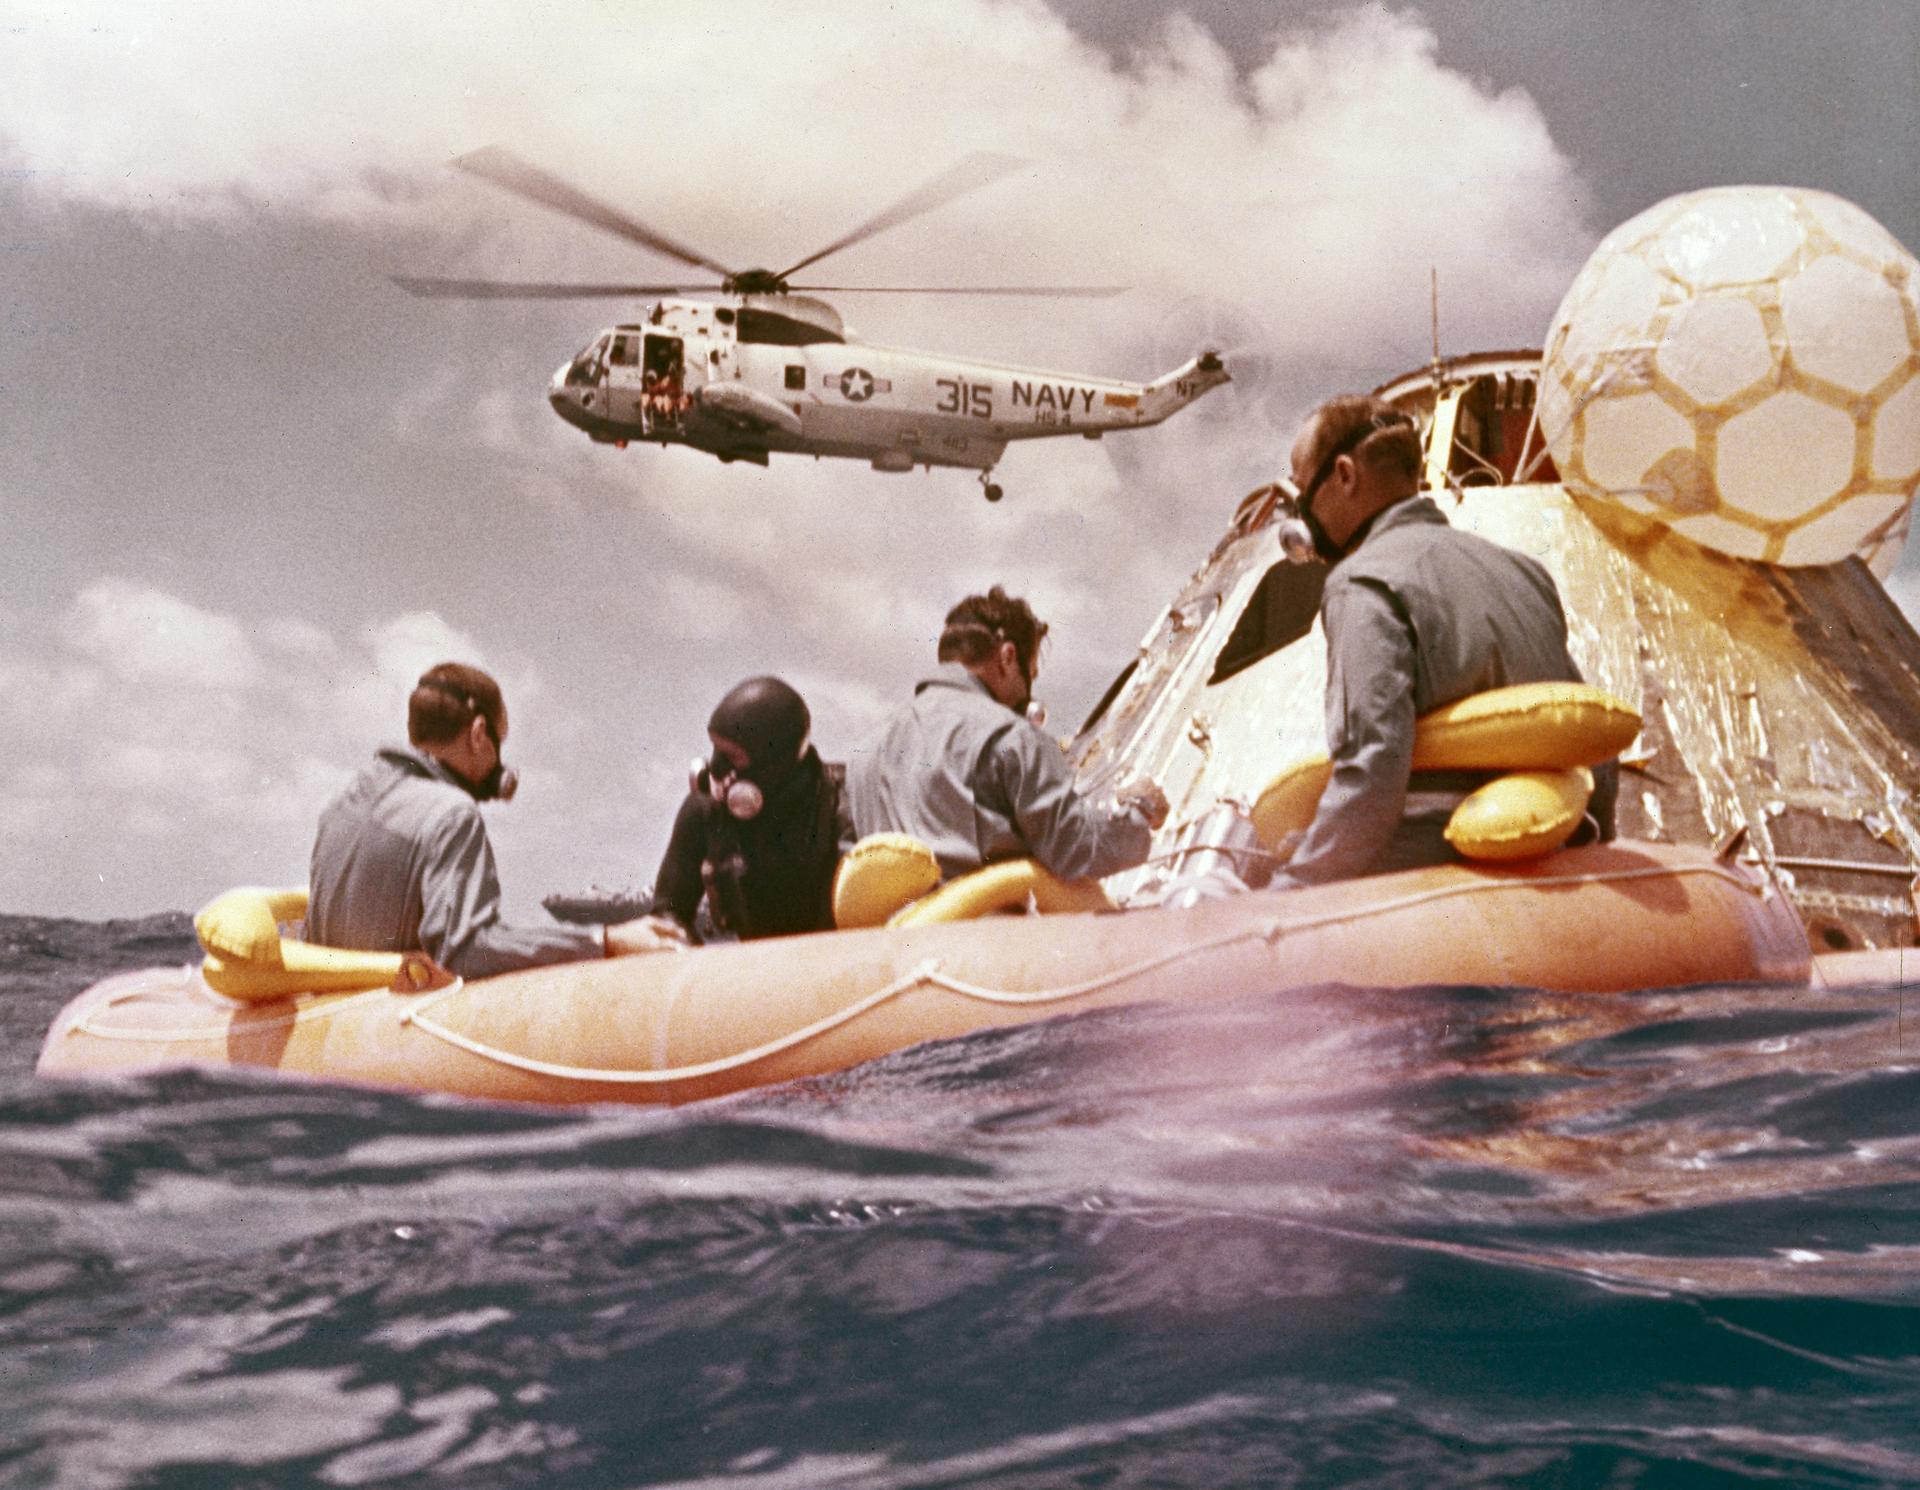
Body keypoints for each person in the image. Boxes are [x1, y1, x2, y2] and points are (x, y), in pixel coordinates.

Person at [1271, 394, 1616, 888]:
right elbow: (1589, 742)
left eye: (1304, 491)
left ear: (1345, 476)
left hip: (1426, 872)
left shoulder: (1362, 583)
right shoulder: (1525, 572)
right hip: (1554, 870)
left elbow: (1371, 773)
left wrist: (1293, 889)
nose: (1303, 513)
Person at [309, 662, 682, 977]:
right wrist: (606, 940)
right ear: (478, 734)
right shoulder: (451, 813)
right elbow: (465, 950)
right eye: (498, 743)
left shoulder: (341, 804)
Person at [847, 586, 1168, 883]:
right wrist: (1137, 813)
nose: (1030, 686)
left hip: (894, 939)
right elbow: (1076, 852)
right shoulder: (1011, 737)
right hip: (986, 938)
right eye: (1030, 673)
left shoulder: (865, 750)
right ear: (1008, 657)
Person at [653, 676, 855, 942]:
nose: (715, 768)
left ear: (774, 767)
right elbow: (666, 920)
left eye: (732, 757)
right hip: (756, 964)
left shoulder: (843, 807)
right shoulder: (705, 814)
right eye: (715, 749)